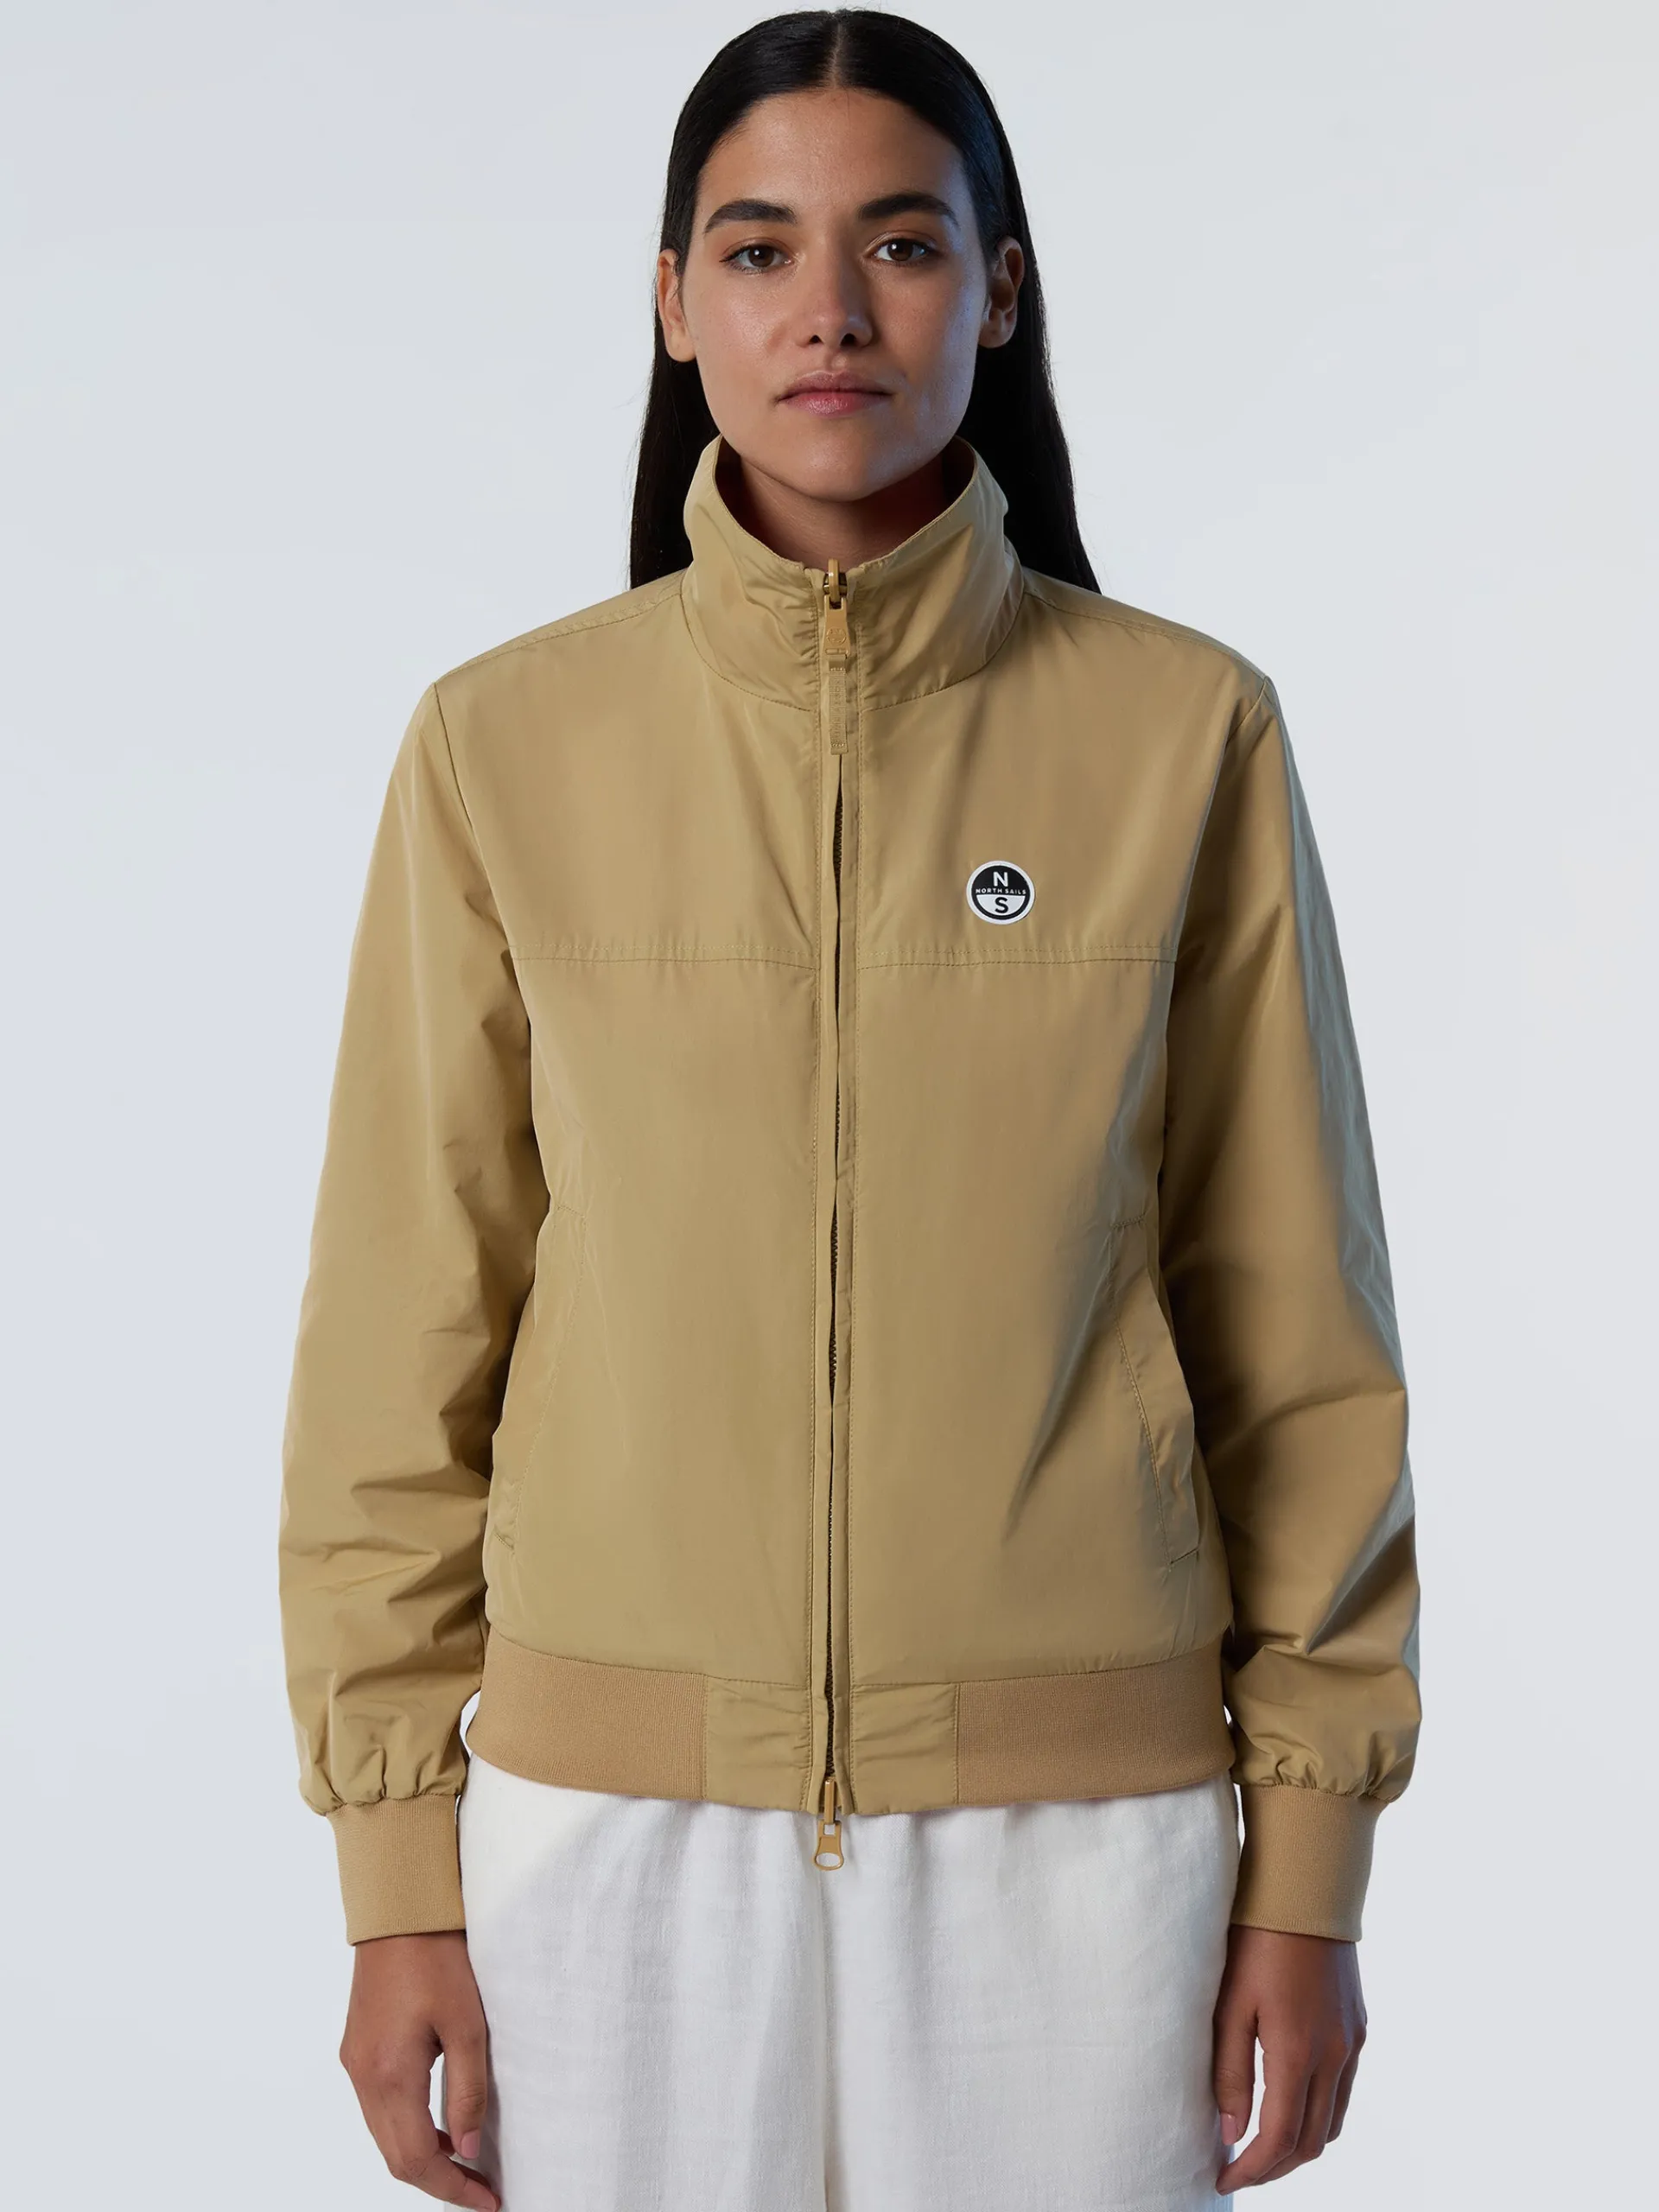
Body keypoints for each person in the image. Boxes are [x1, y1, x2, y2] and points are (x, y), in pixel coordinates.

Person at [277, 10, 1421, 2209]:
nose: (828, 308)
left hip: (1078, 1846)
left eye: (901, 243)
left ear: (999, 290)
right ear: (671, 299)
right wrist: (398, 1868)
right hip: (608, 1846)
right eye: (757, 247)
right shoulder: (502, 746)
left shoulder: (1183, 735)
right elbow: (403, 1339)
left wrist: (1309, 1862)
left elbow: (1298, 1336)